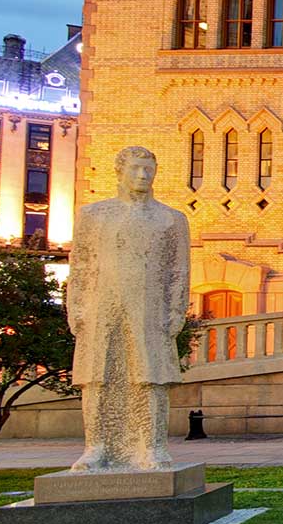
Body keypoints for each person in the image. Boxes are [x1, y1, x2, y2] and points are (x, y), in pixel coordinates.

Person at [68, 146, 191, 472]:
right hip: (102, 305)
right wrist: (76, 308)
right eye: (136, 168)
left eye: (148, 169)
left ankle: (151, 448)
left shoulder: (171, 219)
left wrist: (176, 311)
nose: (142, 175)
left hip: (149, 307)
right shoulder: (94, 215)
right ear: (120, 171)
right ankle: (96, 447)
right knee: (96, 377)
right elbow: (80, 266)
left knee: (151, 376)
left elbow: (179, 270)